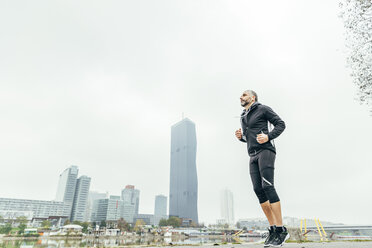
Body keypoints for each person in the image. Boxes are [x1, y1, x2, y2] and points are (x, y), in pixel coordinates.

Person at [235, 90, 289, 247]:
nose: (241, 97)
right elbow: (248, 137)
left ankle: (281, 230)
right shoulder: (243, 116)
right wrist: (241, 137)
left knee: (268, 186)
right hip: (252, 155)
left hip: (266, 151)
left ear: (253, 98)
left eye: (244, 95)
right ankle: (273, 230)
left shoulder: (263, 109)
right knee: (258, 190)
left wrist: (268, 136)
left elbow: (281, 124)